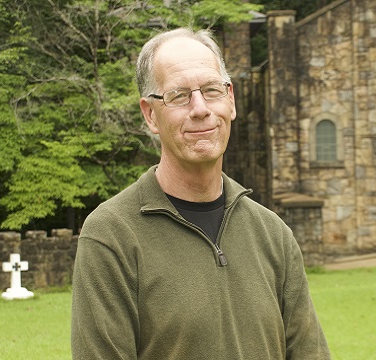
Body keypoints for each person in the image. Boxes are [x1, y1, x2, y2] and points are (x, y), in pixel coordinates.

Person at [71, 27, 331, 359]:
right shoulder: (111, 235)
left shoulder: (272, 233)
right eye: (179, 95)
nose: (200, 108)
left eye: (211, 90)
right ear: (150, 114)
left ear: (231, 100)